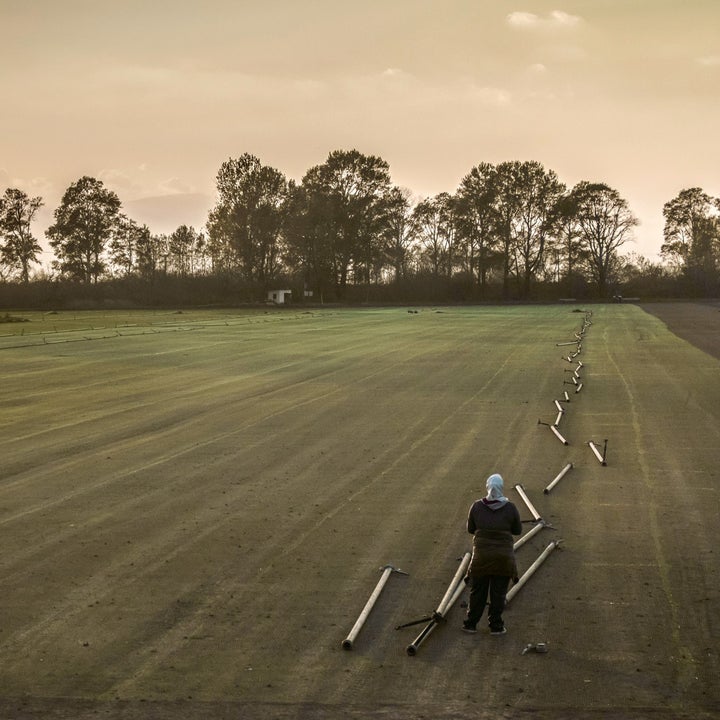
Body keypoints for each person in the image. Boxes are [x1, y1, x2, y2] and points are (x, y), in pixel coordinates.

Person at [462, 473, 522, 635]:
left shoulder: (476, 506)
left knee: (478, 592)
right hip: (503, 558)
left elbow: (470, 529)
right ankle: (495, 625)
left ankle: (471, 624)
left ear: (487, 487)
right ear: (501, 487)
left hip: (481, 557)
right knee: (498, 593)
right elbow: (517, 530)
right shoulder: (510, 508)